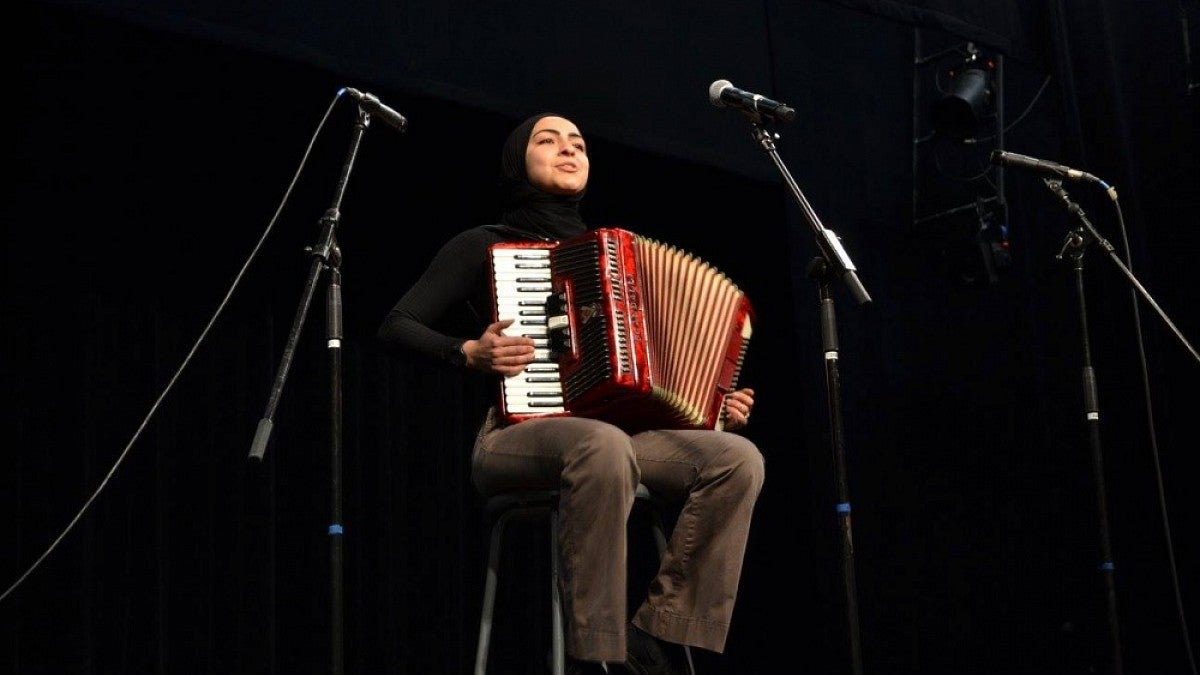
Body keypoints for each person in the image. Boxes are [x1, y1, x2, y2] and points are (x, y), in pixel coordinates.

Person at [377, 112, 765, 675]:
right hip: (514, 437)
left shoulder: (616, 258)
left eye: (579, 143)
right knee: (602, 444)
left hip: (616, 441)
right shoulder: (484, 245)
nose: (568, 149)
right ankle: (596, 652)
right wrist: (467, 352)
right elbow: (395, 325)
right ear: (517, 161)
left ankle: (655, 636)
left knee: (737, 459)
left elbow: (656, 375)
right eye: (548, 139)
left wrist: (712, 404)